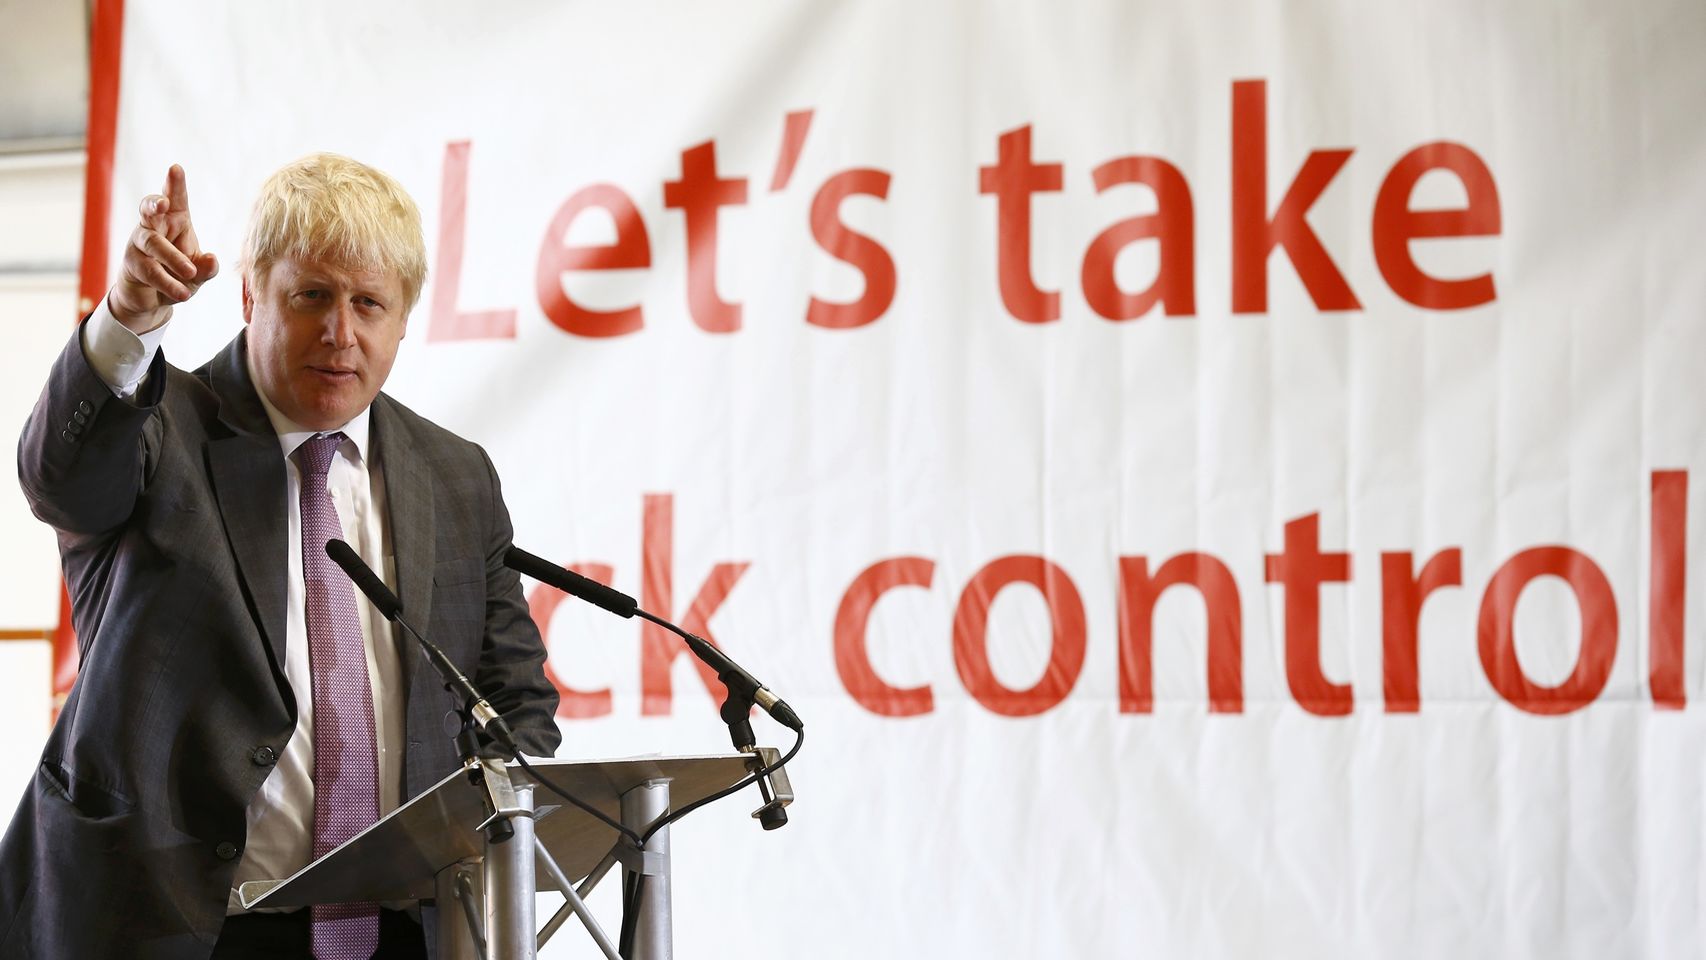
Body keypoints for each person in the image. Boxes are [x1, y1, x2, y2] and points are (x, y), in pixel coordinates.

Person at [0, 154, 561, 959]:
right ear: (250, 295)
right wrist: (126, 321)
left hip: (406, 932)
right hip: (175, 928)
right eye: (311, 297)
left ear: (404, 320)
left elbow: (512, 701)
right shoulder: (161, 431)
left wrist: (481, 837)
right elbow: (60, 479)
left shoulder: (456, 475)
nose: (341, 331)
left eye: (370, 303)